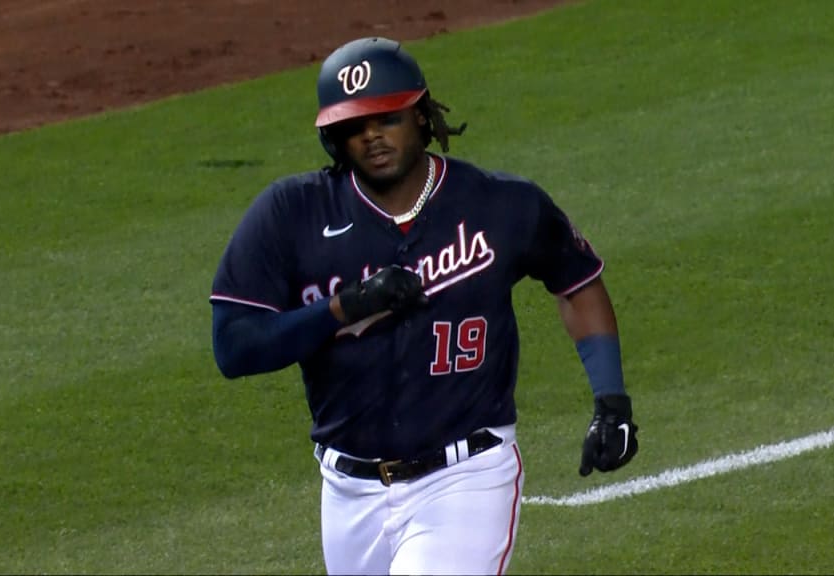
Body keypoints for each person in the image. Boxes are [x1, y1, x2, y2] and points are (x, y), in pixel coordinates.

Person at [210, 36, 639, 576]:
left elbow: (576, 282)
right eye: (352, 126)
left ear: (420, 115)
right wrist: (343, 309)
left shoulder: (499, 205)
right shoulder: (291, 214)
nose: (370, 135)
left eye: (386, 117)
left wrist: (611, 403)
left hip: (466, 477)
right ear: (332, 139)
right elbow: (233, 346)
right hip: (347, 492)